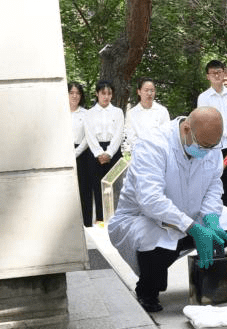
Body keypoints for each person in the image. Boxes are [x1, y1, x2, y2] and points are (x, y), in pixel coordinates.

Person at [106, 106, 227, 312]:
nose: (208, 152)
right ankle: (148, 290)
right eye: (204, 146)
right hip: (144, 217)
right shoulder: (153, 144)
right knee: (153, 238)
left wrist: (210, 218)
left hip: (195, 210)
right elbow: (151, 199)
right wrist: (191, 227)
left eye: (213, 146)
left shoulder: (208, 144)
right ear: (186, 130)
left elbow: (213, 184)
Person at [197, 59, 227, 211]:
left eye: (219, 72)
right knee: (216, 185)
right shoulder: (203, 98)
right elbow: (206, 120)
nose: (217, 76)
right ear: (207, 76)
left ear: (224, 74)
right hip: (214, 148)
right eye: (213, 73)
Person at [83, 80, 125, 224]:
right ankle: (101, 220)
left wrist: (109, 153)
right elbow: (89, 134)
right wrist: (99, 153)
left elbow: (119, 133)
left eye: (109, 94)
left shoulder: (118, 112)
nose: (106, 97)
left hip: (113, 152)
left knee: (114, 186)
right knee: (98, 186)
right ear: (97, 94)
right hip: (95, 153)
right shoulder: (89, 113)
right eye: (103, 93)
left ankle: (116, 221)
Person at [70, 81, 95, 226]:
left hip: (82, 154)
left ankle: (86, 224)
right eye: (71, 93)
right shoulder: (59, 111)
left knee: (84, 190)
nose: (75, 96)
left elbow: (88, 137)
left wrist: (76, 152)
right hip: (63, 153)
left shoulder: (86, 114)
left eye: (78, 93)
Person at [124, 78, 169, 155]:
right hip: (139, 154)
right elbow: (131, 137)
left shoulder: (162, 111)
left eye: (152, 90)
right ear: (139, 92)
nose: (149, 93)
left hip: (158, 153)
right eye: (146, 90)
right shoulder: (131, 113)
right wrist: (144, 149)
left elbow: (166, 134)